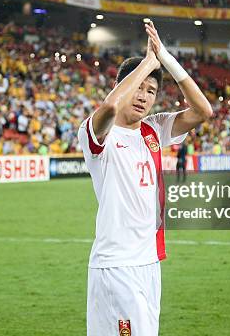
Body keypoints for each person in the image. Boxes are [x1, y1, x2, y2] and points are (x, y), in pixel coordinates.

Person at [78, 22, 213, 335]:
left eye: (151, 91)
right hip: (116, 265)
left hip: (149, 263)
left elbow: (203, 110)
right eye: (138, 87)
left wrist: (164, 57)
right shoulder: (99, 132)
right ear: (123, 86)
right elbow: (111, 104)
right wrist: (147, 64)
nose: (143, 96)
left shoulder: (154, 129)